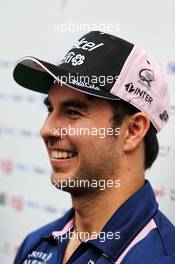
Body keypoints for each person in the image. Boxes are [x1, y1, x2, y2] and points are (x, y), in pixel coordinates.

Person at [13, 31, 175, 264]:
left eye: (73, 112)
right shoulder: (36, 245)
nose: (46, 130)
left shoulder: (162, 257)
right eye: (50, 110)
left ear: (133, 131)